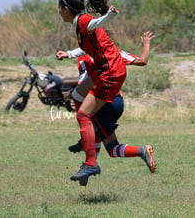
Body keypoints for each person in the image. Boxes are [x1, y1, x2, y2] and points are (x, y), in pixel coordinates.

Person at [57, 0, 131, 185]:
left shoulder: (83, 21)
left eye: (59, 8)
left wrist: (108, 16)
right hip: (105, 70)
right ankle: (86, 138)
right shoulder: (78, 24)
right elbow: (88, 48)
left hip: (110, 72)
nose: (58, 11)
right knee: (77, 98)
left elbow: (94, 23)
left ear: (67, 9)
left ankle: (90, 163)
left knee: (83, 116)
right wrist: (68, 53)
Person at [56, 31, 157, 186]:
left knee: (110, 147)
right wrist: (146, 44)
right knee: (96, 130)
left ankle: (141, 151)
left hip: (101, 101)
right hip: (118, 102)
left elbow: (86, 82)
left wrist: (69, 93)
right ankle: (86, 166)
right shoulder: (116, 53)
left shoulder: (83, 59)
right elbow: (143, 61)